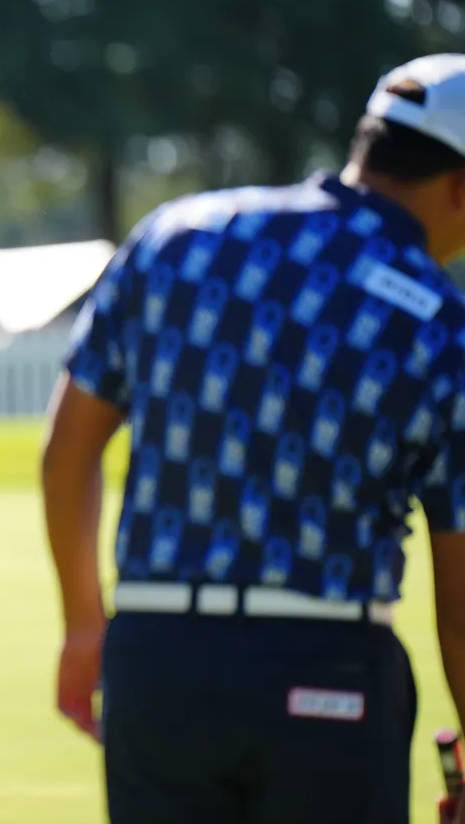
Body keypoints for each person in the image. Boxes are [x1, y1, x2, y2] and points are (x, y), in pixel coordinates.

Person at [41, 53, 465, 824]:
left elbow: (69, 446)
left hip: (156, 661)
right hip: (331, 671)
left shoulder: (177, 235)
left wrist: (82, 624)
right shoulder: (442, 322)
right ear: (461, 187)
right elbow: (462, 600)